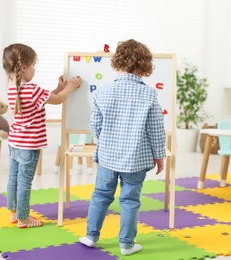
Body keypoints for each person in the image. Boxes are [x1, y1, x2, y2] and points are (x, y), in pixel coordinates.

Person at [79, 39, 166, 255]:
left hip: (108, 157)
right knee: (130, 200)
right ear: (144, 68)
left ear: (117, 64)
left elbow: (95, 124)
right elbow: (156, 128)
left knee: (100, 195)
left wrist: (106, 140)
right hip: (136, 159)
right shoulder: (149, 94)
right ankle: (127, 244)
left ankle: (91, 236)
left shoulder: (104, 91)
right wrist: (159, 155)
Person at [2, 43, 81, 228]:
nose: (34, 70)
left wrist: (57, 87)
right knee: (24, 182)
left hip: (14, 142)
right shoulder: (32, 89)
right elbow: (59, 99)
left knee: (13, 178)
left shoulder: (13, 88)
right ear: (23, 67)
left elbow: (45, 100)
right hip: (29, 146)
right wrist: (71, 86)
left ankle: (14, 213)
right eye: (33, 66)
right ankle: (23, 218)